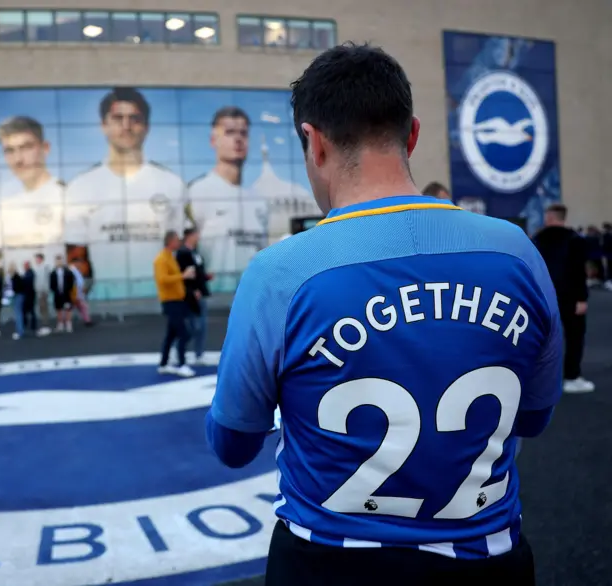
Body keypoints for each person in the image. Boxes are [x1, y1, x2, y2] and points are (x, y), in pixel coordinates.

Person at [206, 43, 563, 586]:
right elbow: (534, 418)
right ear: (412, 134)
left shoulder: (280, 273)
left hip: (328, 562)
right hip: (488, 560)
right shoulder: (517, 253)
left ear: (313, 140)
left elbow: (233, 442)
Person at [64, 87, 187, 294]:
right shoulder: (80, 187)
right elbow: (77, 255)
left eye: (135, 119)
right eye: (118, 118)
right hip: (103, 299)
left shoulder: (172, 183)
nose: (126, 126)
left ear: (146, 127)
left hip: (164, 297)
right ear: (104, 125)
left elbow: (179, 247)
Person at [188, 106, 268, 291]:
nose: (238, 139)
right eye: (230, 132)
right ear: (213, 140)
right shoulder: (197, 192)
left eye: (243, 133)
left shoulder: (259, 200)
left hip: (251, 297)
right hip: (214, 300)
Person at [0, 117, 66, 270]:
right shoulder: (6, 208)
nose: (18, 159)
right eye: (10, 151)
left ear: (45, 148)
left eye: (26, 147)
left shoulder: (67, 197)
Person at [533, 204, 594, 393]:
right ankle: (572, 377)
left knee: (540, 339)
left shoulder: (536, 240)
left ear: (549, 217)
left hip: (543, 297)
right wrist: (582, 298)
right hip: (570, 297)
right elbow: (579, 272)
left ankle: (538, 380)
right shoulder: (575, 240)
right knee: (574, 337)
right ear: (563, 217)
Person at [154, 230, 196, 377]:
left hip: (178, 300)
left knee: (171, 335)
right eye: (177, 240)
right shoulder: (161, 259)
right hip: (170, 301)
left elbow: (172, 277)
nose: (179, 242)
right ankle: (182, 364)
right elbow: (162, 279)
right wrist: (182, 275)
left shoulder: (170, 257)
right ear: (170, 241)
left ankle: (164, 364)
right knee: (184, 333)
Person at [176, 227, 212, 365]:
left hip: (200, 293)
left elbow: (197, 271)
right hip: (190, 295)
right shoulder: (183, 253)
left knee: (201, 325)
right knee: (192, 325)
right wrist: (192, 290)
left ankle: (199, 353)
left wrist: (205, 277)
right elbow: (183, 274)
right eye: (196, 234)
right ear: (189, 236)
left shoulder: (195, 252)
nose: (198, 237)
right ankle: (179, 349)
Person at [49, 255, 75, 333]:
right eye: (57, 261)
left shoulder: (68, 272)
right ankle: (60, 324)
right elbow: (51, 284)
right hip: (57, 294)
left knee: (68, 308)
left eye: (60, 261)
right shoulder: (53, 273)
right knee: (59, 309)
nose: (59, 262)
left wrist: (68, 289)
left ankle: (68, 324)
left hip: (66, 293)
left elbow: (71, 281)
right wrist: (55, 290)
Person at [69, 259, 93, 326]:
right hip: (75, 291)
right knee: (79, 306)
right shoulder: (72, 270)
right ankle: (87, 320)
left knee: (81, 306)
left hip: (78, 291)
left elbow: (80, 281)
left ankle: (87, 320)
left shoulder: (76, 270)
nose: (80, 264)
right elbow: (76, 281)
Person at [33, 253, 52, 333]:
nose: (36, 260)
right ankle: (44, 324)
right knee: (41, 308)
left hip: (43, 291)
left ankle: (46, 325)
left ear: (40, 259)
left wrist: (45, 291)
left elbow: (45, 280)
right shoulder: (36, 268)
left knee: (44, 308)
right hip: (38, 292)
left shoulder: (45, 267)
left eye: (37, 258)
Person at [7, 262, 25, 341]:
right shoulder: (16, 276)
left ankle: (20, 331)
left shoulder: (16, 277)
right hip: (18, 296)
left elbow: (17, 288)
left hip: (18, 296)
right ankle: (19, 330)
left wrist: (12, 292)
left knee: (18, 314)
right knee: (18, 313)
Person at [22, 260, 39, 335]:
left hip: (29, 295)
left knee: (30, 311)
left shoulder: (30, 273)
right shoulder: (27, 273)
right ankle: (28, 324)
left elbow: (27, 283)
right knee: (27, 311)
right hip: (28, 295)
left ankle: (32, 325)